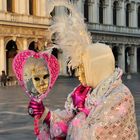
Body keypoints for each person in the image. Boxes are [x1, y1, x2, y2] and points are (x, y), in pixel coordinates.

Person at [28, 1, 138, 139]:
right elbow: (69, 120)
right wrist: (46, 114)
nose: (79, 75)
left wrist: (79, 117)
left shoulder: (120, 96)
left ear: (97, 68)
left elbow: (99, 133)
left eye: (84, 69)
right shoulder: (83, 93)